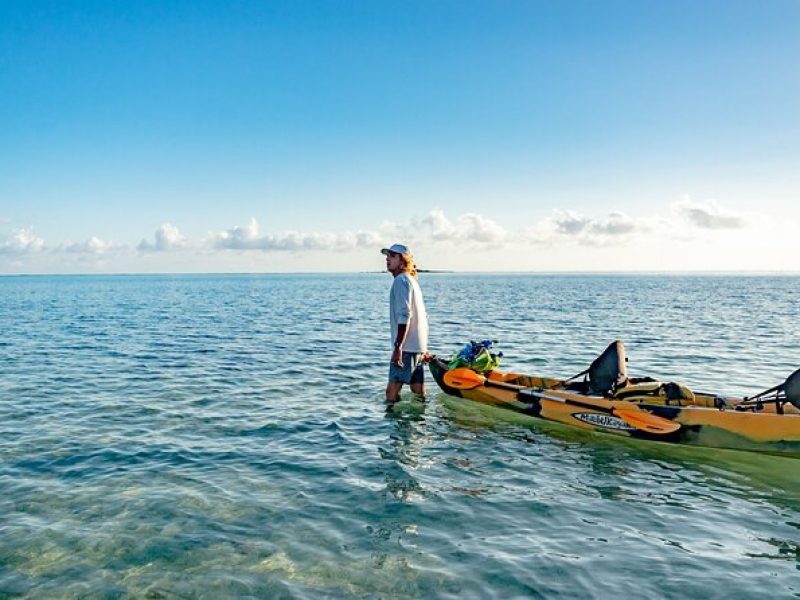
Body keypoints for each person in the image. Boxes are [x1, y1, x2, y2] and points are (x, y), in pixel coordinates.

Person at [381, 243, 429, 402]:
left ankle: (393, 426)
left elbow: (405, 315)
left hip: (406, 347)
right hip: (417, 347)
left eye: (392, 256)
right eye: (387, 256)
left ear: (403, 262)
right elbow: (421, 317)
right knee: (418, 392)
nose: (388, 259)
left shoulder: (401, 281)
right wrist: (424, 348)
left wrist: (398, 347)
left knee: (391, 393)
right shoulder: (412, 281)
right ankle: (420, 423)